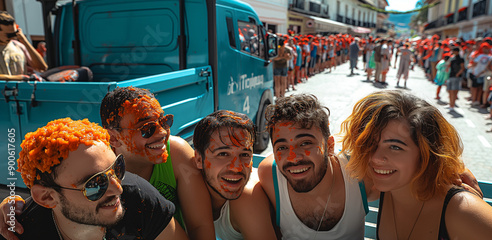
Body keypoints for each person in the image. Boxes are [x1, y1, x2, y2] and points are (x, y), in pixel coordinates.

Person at [339, 90, 492, 239]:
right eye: (369, 143)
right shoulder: (381, 183)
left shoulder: (461, 209)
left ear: (426, 152)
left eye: (395, 147)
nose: (375, 157)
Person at [3, 118, 187, 239]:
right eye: (95, 184)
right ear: (47, 197)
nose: (117, 189)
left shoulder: (137, 197)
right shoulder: (24, 230)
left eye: (117, 169)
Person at [100, 86, 215, 239]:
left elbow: (200, 226)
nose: (161, 132)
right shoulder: (100, 167)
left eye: (164, 121)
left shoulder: (176, 153)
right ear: (113, 138)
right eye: (146, 128)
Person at [258, 94, 375, 239]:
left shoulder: (358, 171)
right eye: (282, 147)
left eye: (305, 143)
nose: (293, 158)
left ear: (330, 146)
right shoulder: (269, 174)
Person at [193, 110, 277, 239]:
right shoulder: (186, 189)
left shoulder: (246, 197)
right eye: (223, 154)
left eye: (244, 155)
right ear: (199, 159)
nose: (236, 168)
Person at [0, 11, 47, 81]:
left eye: (14, 33)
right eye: (8, 35)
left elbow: (42, 67)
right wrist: (16, 78)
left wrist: (24, 40)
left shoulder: (18, 46)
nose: (12, 37)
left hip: (20, 90)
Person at [447, 47, 465, 111]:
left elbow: (462, 68)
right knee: (449, 91)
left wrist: (458, 74)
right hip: (451, 75)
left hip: (456, 76)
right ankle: (450, 104)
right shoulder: (452, 58)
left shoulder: (461, 59)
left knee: (453, 91)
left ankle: (452, 105)